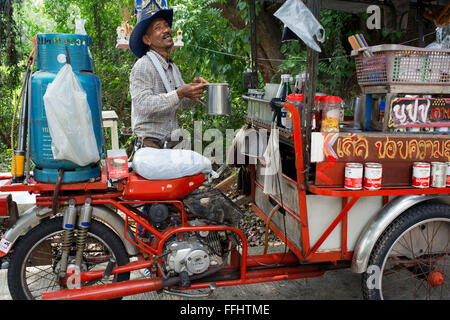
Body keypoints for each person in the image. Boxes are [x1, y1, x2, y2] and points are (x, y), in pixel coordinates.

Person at [129, 0, 207, 149]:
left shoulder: (173, 68)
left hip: (171, 144)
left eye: (166, 25)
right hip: (150, 147)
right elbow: (142, 105)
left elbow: (184, 104)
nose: (166, 30)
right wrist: (179, 93)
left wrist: (196, 90)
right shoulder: (143, 65)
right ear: (147, 39)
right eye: (158, 28)